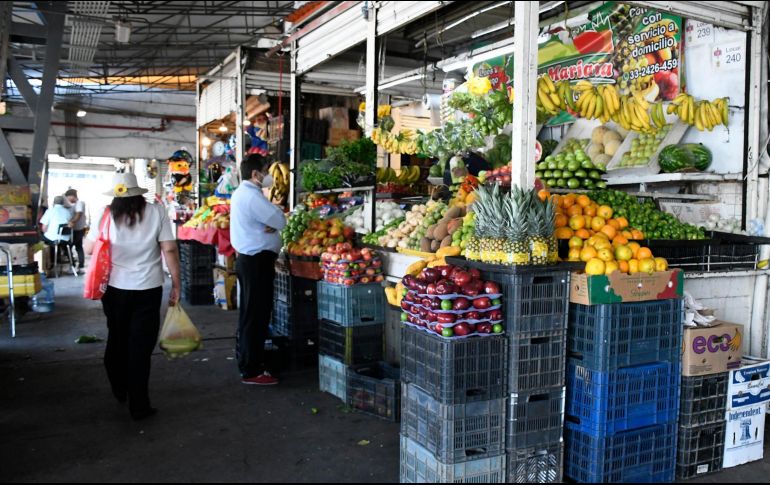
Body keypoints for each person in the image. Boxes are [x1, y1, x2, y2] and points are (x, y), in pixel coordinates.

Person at [84, 172, 181, 420]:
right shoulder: (157, 211)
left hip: (114, 289)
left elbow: (90, 248)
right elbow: (168, 248)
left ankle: (119, 388)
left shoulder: (106, 214)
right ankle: (139, 404)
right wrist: (177, 284)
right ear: (138, 192)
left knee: (117, 337)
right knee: (140, 347)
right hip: (148, 288)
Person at [230, 153, 286, 386]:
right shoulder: (251, 196)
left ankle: (248, 360)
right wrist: (275, 222)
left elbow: (270, 220)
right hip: (256, 263)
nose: (268, 176)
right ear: (255, 174)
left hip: (251, 261)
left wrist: (270, 224)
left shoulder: (243, 194)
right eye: (265, 171)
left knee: (251, 314)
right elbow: (280, 219)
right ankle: (251, 369)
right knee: (256, 315)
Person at [64, 189, 87, 273]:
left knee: (71, 247)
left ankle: (76, 267)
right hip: (76, 229)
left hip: (78, 229)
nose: (67, 200)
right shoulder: (73, 204)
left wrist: (72, 221)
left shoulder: (79, 203)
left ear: (73, 196)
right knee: (77, 247)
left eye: (68, 197)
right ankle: (78, 266)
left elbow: (79, 214)